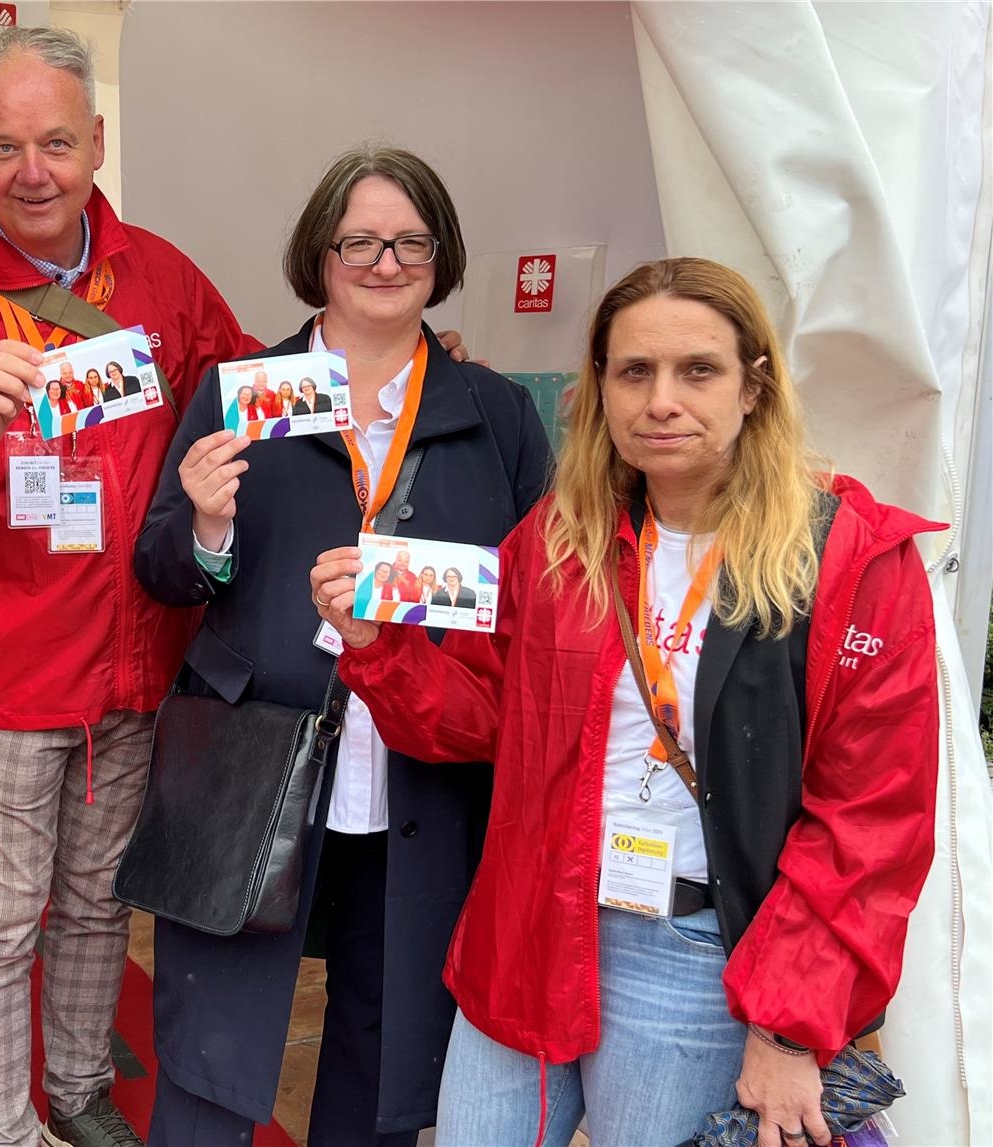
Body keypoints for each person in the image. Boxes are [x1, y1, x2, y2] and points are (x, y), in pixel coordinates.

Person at [309, 257, 942, 1147]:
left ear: (754, 385)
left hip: (689, 957)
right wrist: (379, 651)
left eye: (698, 370)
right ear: (599, 387)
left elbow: (869, 827)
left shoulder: (847, 562)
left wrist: (790, 1025)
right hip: (528, 927)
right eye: (633, 371)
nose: (662, 400)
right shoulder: (560, 537)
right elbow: (483, 716)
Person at [0, 25, 260, 1147]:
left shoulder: (165, 280)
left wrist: (371, 371)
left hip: (138, 666)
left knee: (94, 909)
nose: (30, 172)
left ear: (95, 140)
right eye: (2, 148)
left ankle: (79, 1091)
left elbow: (242, 400)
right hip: (5, 674)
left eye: (53, 142)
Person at [136, 145, 550, 1145]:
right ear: (318, 253)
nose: (383, 261)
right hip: (254, 750)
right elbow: (162, 572)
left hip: (423, 760)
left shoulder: (490, 412)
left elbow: (539, 591)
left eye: (409, 241)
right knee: (215, 1028)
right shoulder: (246, 390)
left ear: (440, 256)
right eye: (358, 240)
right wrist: (207, 526)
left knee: (390, 1018)